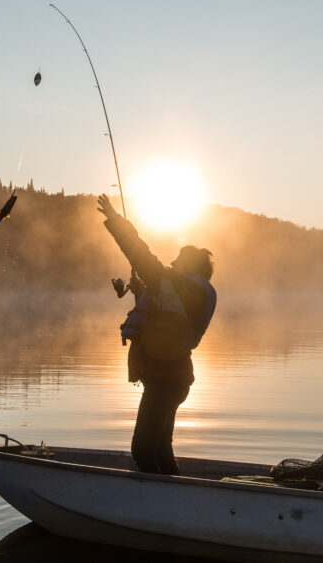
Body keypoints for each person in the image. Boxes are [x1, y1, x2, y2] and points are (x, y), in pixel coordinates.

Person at [96, 194, 217, 475]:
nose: (173, 262)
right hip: (176, 380)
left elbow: (137, 251)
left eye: (179, 259)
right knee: (161, 446)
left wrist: (115, 220)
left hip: (164, 378)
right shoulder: (195, 293)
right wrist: (143, 291)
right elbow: (169, 314)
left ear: (190, 266)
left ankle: (157, 500)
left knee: (142, 448)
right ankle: (175, 492)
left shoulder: (171, 283)